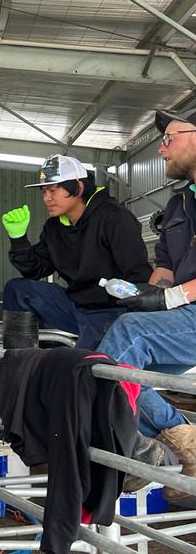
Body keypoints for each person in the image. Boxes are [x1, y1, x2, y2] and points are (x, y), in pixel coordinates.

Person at [94, 108, 196, 498]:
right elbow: (167, 268)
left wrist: (167, 298)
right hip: (184, 314)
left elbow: (173, 290)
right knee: (106, 360)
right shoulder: (178, 204)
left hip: (189, 311)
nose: (162, 151)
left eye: (169, 139)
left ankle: (131, 453)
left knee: (123, 340)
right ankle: (170, 441)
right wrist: (140, 296)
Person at [0, 153, 151, 350]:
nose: (47, 198)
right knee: (17, 289)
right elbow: (35, 270)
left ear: (78, 187)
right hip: (74, 305)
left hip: (112, 312)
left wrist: (133, 321)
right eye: (44, 192)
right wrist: (18, 239)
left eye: (53, 190)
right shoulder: (54, 227)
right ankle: (18, 364)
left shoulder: (115, 218)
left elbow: (139, 277)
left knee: (82, 368)